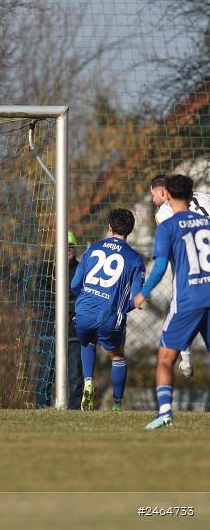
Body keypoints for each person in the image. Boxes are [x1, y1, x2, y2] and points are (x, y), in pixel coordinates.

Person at [134, 175, 210, 430]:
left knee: (165, 358)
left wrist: (143, 292)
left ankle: (165, 413)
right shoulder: (207, 223)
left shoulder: (167, 225)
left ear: (167, 195)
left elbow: (160, 267)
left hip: (189, 297)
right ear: (191, 194)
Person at [70, 209, 145, 411]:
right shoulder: (135, 259)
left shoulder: (92, 249)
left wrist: (88, 300)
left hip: (84, 311)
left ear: (109, 227)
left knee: (87, 342)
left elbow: (75, 284)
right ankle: (117, 405)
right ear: (130, 230)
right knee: (117, 355)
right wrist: (122, 308)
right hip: (110, 316)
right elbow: (137, 300)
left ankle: (88, 382)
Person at [149, 174, 210, 377]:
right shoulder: (204, 197)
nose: (152, 199)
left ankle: (185, 357)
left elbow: (174, 241)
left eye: (153, 194)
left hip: (190, 270)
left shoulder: (165, 212)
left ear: (164, 192)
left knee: (180, 304)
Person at [33, 230, 83, 409]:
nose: (68, 250)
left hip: (74, 331)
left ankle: (75, 409)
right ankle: (41, 408)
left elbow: (82, 299)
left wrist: (66, 305)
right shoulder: (46, 270)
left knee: (75, 376)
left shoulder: (81, 269)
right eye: (64, 247)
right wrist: (65, 305)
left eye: (71, 246)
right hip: (50, 331)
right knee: (45, 375)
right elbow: (42, 298)